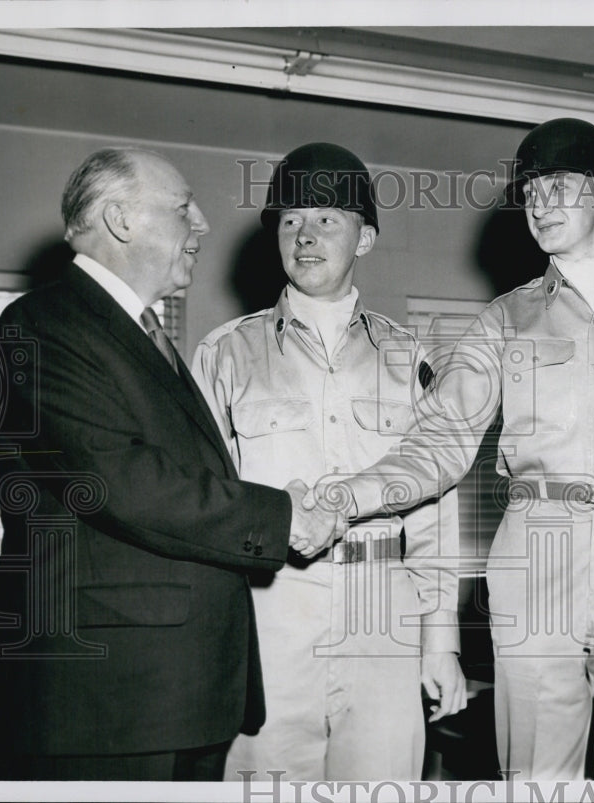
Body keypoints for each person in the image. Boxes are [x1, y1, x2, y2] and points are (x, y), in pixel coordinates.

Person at [310, 119, 594, 778]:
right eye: (529, 191)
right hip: (536, 551)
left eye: (558, 185)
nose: (539, 204)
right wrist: (353, 494)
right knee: (535, 771)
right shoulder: (504, 318)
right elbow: (441, 435)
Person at [0, 148, 342, 781]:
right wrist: (284, 518)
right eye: (182, 208)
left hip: (175, 692)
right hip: (106, 700)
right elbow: (118, 479)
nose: (201, 224)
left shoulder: (136, 332)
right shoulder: (42, 324)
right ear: (120, 220)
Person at [192, 142, 466, 781]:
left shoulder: (409, 359)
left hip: (383, 612)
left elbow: (434, 512)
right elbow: (201, 502)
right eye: (289, 221)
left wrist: (440, 642)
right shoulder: (225, 354)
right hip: (269, 609)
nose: (305, 236)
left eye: (326, 219)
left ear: (365, 238)